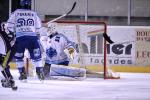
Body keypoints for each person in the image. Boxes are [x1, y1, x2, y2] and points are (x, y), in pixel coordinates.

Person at [5, 0, 44, 81]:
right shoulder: (34, 13)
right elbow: (39, 28)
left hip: (20, 38)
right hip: (32, 38)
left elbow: (9, 26)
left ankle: (22, 74)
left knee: (19, 57)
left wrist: (11, 34)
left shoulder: (16, 12)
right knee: (37, 57)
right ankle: (40, 72)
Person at [0, 21, 16, 88]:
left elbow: (10, 38)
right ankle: (8, 79)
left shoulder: (3, 30)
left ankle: (9, 81)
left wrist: (3, 54)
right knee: (3, 65)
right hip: (8, 49)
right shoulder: (3, 30)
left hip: (8, 50)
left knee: (3, 65)